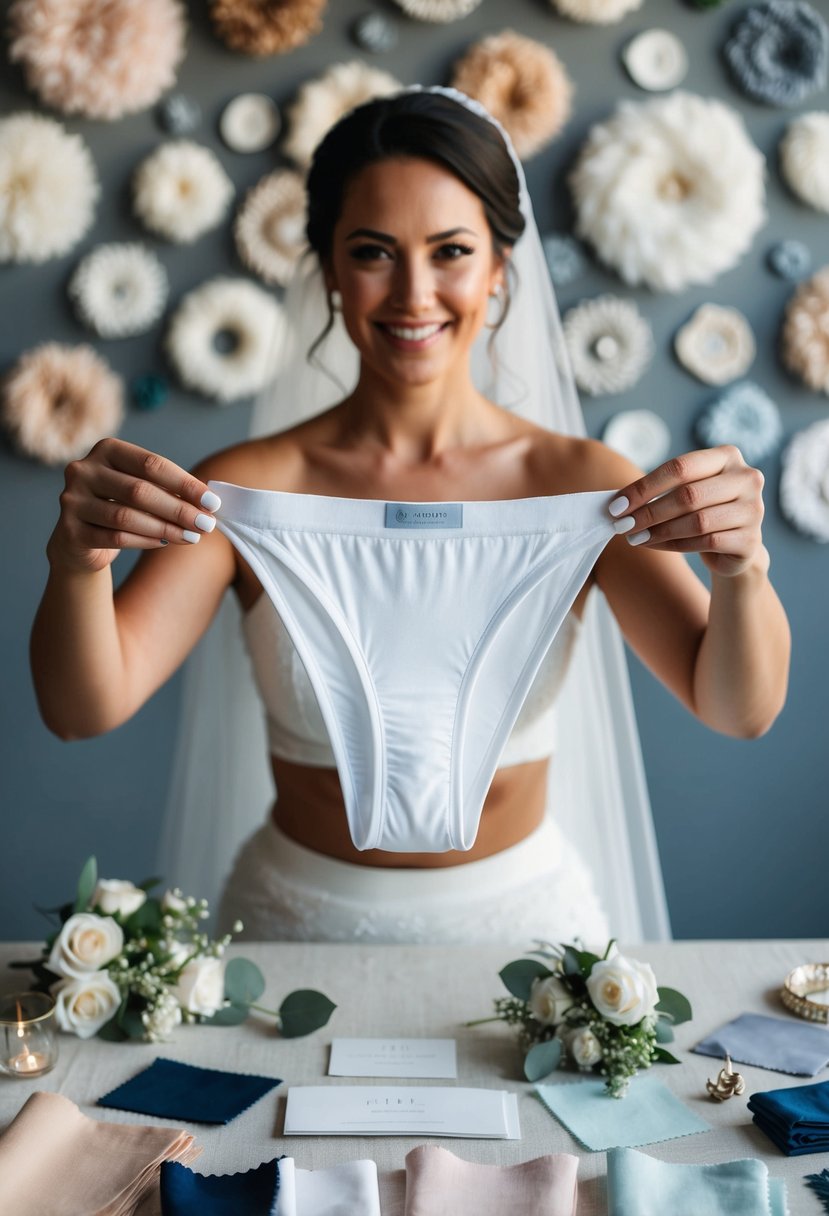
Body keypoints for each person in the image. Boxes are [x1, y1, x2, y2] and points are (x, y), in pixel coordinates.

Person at [30, 89, 790, 947]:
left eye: (451, 251)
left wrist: (743, 571)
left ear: (502, 267)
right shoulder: (243, 490)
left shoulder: (582, 485)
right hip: (291, 932)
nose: (414, 292)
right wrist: (76, 564)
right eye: (373, 252)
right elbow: (80, 709)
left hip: (527, 935)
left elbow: (739, 709)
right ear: (326, 267)